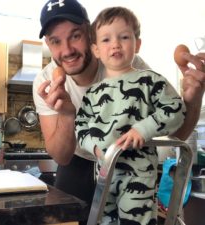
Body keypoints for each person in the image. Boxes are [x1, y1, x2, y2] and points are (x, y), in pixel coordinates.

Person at [33, 0, 205, 218]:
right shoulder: (46, 81)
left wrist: (193, 98)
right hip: (79, 159)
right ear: (48, 44)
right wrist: (67, 115)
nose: (67, 50)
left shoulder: (134, 70)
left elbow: (175, 132)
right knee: (67, 219)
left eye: (75, 35)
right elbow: (62, 157)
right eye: (56, 41)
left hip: (132, 160)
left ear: (89, 33)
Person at [74, 6, 186, 225]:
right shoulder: (93, 93)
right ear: (96, 49)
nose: (115, 44)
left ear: (137, 44)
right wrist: (94, 147)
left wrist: (143, 129)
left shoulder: (150, 80)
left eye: (124, 37)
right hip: (105, 175)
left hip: (139, 174)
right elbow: (80, 125)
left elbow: (175, 109)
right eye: (106, 40)